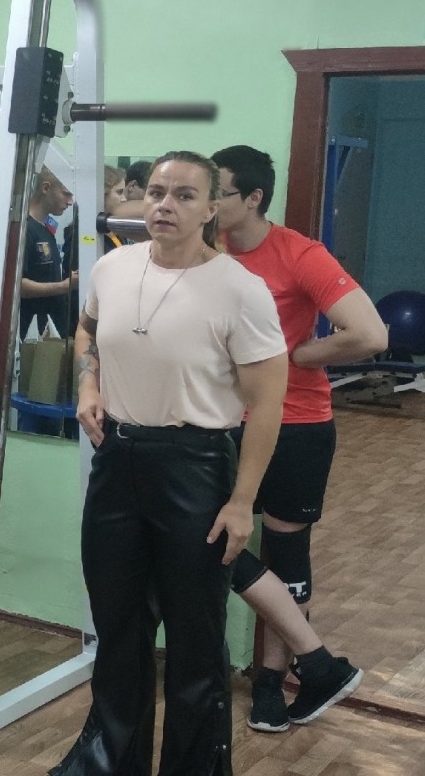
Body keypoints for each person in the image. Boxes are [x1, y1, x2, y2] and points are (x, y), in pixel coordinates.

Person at [51, 151, 287, 776]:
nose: (165, 205)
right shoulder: (113, 266)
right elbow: (86, 331)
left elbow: (267, 405)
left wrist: (241, 502)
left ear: (211, 209)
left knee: (195, 639)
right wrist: (89, 384)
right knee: (119, 628)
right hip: (118, 459)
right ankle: (109, 761)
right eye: (157, 192)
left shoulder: (240, 289)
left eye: (185, 195)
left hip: (196, 467)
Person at [211, 144, 378, 731]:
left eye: (217, 192)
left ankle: (270, 683)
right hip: (222, 422)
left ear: (254, 198)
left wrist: (297, 356)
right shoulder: (207, 249)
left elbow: (370, 334)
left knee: (286, 554)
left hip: (297, 423)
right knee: (206, 537)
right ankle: (318, 663)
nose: (206, 203)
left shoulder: (299, 254)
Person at [20, 166, 75, 336]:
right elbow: (17, 286)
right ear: (45, 188)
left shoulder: (45, 229)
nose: (70, 202)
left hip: (50, 327)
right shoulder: (25, 229)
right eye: (66, 194)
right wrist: (63, 286)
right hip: (30, 331)